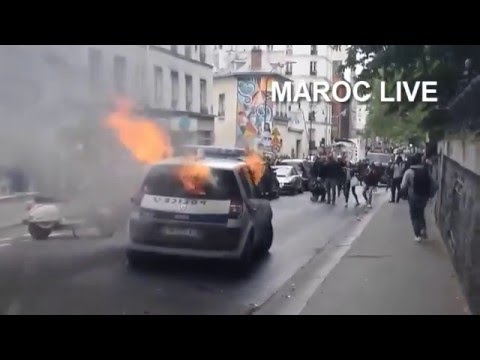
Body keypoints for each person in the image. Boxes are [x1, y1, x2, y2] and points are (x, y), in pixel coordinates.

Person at [400, 153, 438, 242]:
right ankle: (423, 228)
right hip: (424, 196)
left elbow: (403, 186)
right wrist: (430, 194)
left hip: (413, 196)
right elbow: (435, 184)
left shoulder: (409, 172)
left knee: (414, 215)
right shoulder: (425, 171)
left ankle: (417, 235)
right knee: (421, 212)